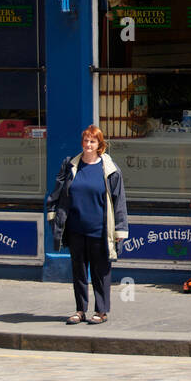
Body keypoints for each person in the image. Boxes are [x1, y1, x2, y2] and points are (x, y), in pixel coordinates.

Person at [47, 125, 129, 325]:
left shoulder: (110, 170)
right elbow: (56, 194)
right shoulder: (70, 165)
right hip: (76, 229)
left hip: (100, 230)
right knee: (79, 272)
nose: (88, 145)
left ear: (100, 145)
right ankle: (80, 310)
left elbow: (119, 201)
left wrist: (121, 230)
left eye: (92, 141)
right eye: (85, 140)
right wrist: (53, 219)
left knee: (101, 273)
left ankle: (101, 311)